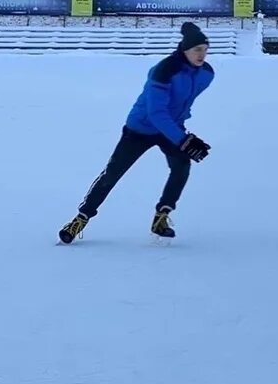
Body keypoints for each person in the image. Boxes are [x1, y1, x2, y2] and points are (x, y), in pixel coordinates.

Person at [58, 22, 215, 244]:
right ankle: (80, 219)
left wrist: (180, 133)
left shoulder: (206, 75)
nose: (202, 54)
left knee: (181, 166)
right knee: (112, 174)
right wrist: (183, 139)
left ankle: (162, 216)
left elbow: (181, 104)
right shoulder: (163, 72)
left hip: (169, 128)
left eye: (205, 49)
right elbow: (156, 113)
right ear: (184, 50)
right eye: (197, 49)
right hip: (140, 128)